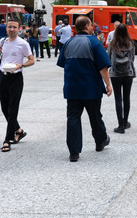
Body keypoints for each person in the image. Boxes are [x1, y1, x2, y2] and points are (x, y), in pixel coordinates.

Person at [56, 16, 113, 162]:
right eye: (91, 25)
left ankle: (74, 152)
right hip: (91, 88)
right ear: (87, 26)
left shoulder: (68, 42)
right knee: (95, 116)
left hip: (72, 88)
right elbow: (103, 67)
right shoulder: (94, 42)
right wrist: (108, 84)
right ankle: (100, 141)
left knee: (73, 118)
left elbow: (62, 63)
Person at [0, 17, 35, 152]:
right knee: (4, 109)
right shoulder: (2, 41)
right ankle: (18, 130)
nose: (11, 30)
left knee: (13, 109)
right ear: (6, 28)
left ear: (19, 29)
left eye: (14, 27)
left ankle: (7, 139)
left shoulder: (23, 43)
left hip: (16, 78)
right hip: (2, 77)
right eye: (9, 27)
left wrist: (21, 65)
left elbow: (32, 60)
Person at [107, 24, 136, 134]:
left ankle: (120, 125)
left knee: (118, 99)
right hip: (128, 73)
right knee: (126, 97)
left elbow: (108, 58)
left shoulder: (112, 44)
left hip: (115, 74)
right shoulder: (131, 44)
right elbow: (132, 59)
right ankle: (125, 122)